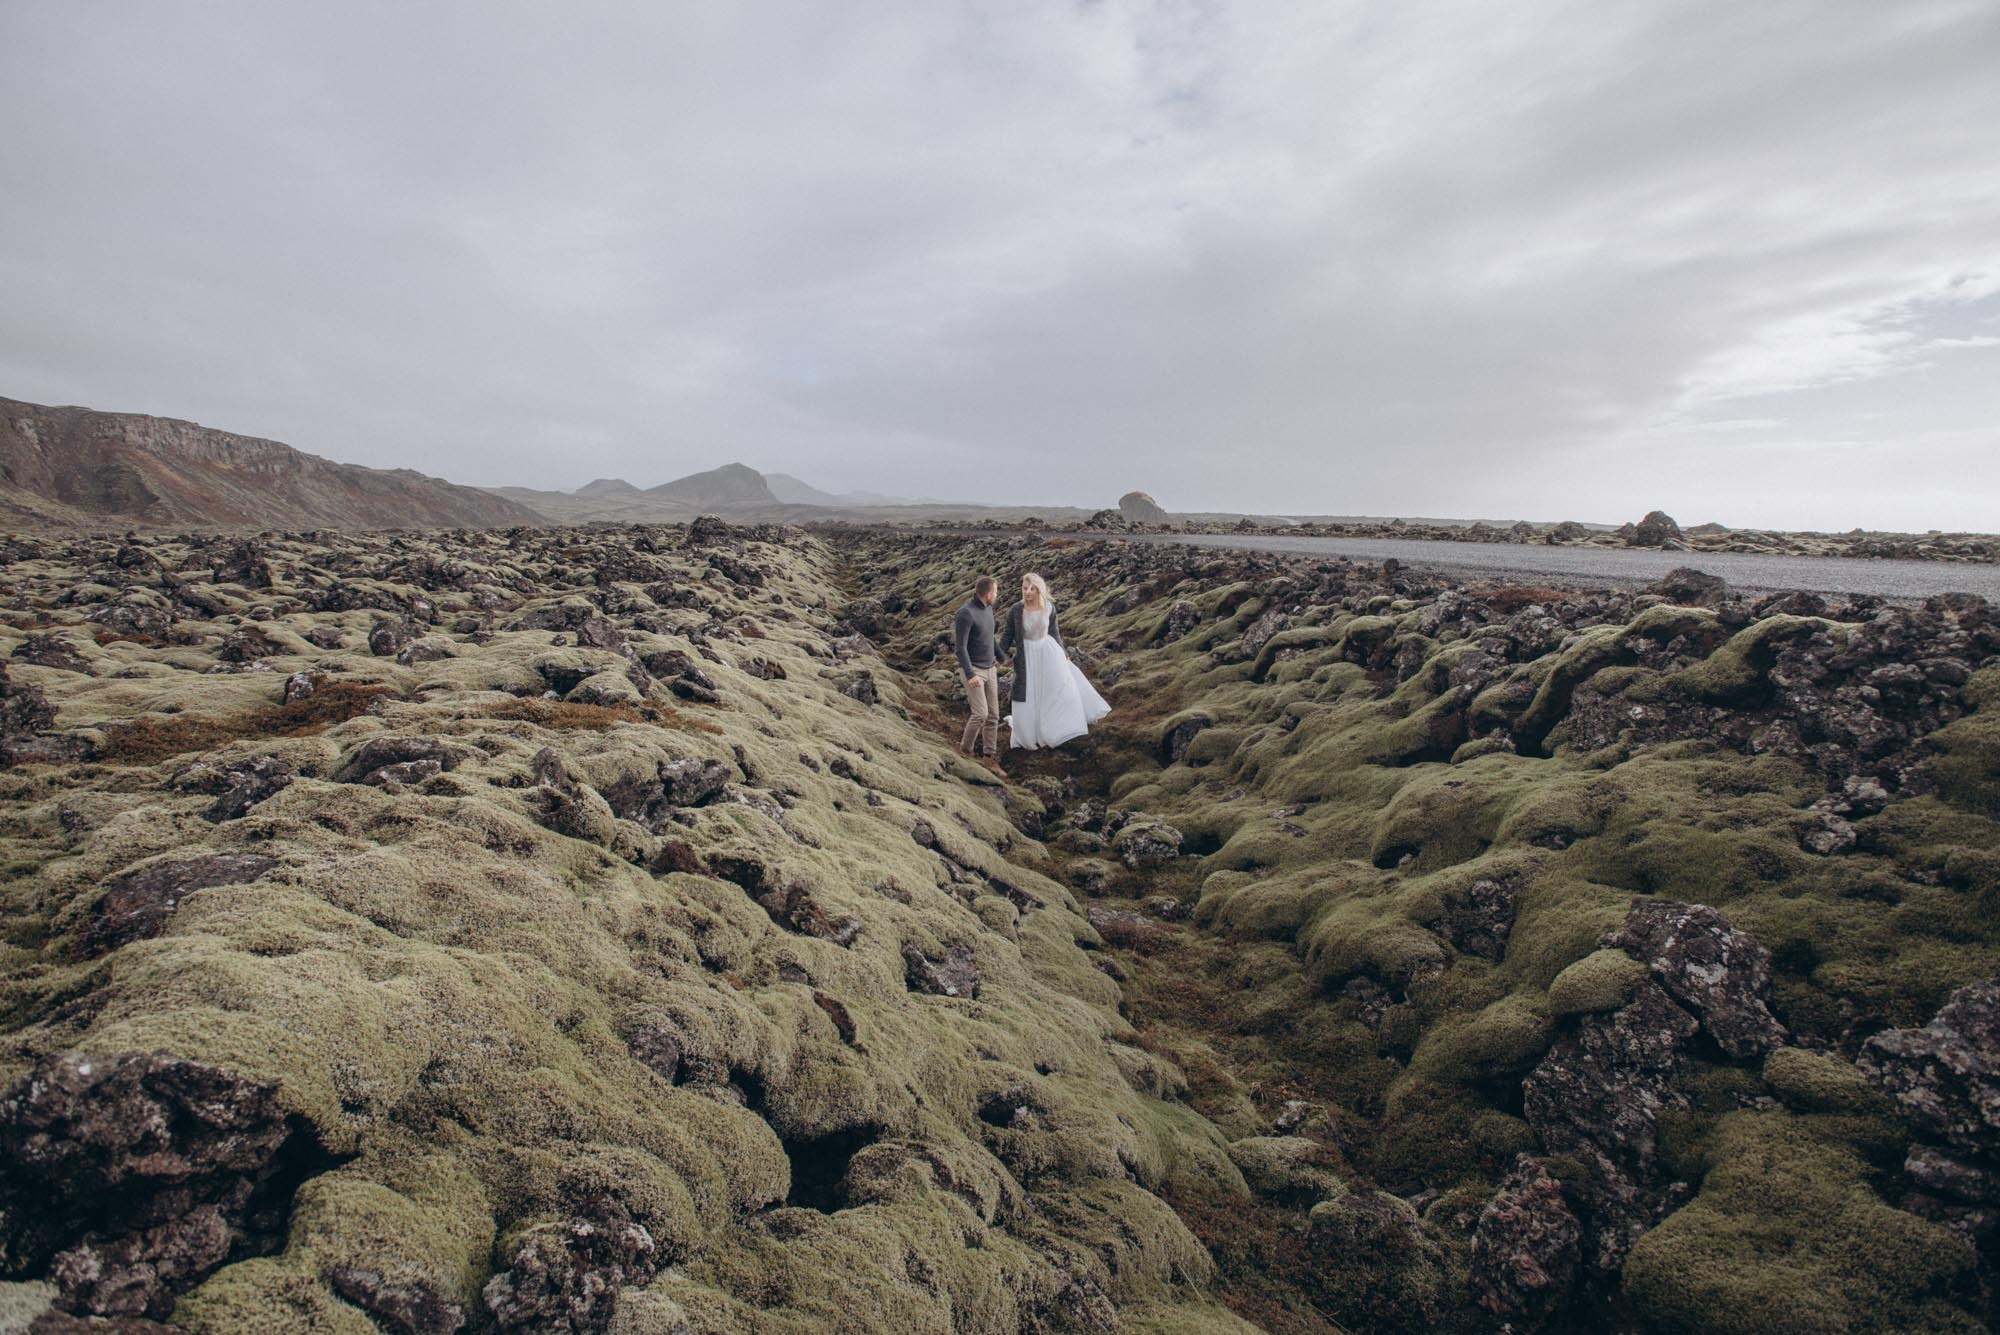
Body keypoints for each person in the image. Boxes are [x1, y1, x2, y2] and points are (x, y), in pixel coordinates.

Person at [998, 572, 1110, 750]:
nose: (1027, 592)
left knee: (1055, 690)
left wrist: (1063, 652)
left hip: (1048, 653)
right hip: (1027, 656)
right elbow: (1007, 636)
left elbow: (1054, 632)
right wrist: (998, 657)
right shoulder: (1016, 610)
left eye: (1032, 589)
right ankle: (1029, 734)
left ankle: (1056, 728)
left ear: (1039, 590)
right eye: (1025, 588)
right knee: (1027, 693)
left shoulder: (1049, 608)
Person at [952, 575, 1002, 768]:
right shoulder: (966, 613)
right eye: (996, 592)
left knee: (993, 716)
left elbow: (989, 637)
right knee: (980, 713)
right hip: (974, 671)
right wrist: (970, 674)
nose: (997, 595)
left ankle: (989, 757)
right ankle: (965, 750)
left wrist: (999, 656)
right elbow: (960, 648)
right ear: (988, 594)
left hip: (990, 669)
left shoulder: (988, 609)